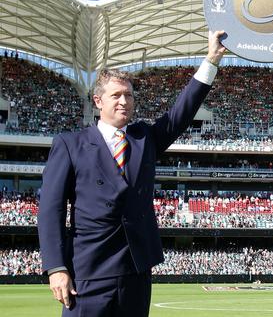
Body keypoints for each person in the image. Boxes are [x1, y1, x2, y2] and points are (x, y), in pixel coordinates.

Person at [37, 30, 227, 317]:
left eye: (128, 95)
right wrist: (56, 267)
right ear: (98, 101)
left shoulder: (144, 139)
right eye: (116, 95)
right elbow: (49, 210)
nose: (124, 101)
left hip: (136, 271)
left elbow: (181, 113)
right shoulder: (70, 144)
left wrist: (211, 59)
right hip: (88, 272)